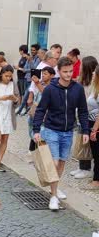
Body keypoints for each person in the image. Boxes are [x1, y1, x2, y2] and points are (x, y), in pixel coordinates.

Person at [33, 57, 89, 210]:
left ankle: (55, 187)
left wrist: (85, 130)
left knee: (62, 163)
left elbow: (83, 111)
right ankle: (53, 196)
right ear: (58, 71)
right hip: (51, 130)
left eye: (71, 71)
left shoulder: (77, 89)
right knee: (55, 162)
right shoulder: (51, 89)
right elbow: (41, 110)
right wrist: (36, 130)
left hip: (68, 132)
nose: (68, 74)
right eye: (65, 72)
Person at [69, 56, 98, 179]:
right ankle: (82, 166)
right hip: (82, 115)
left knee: (85, 143)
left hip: (90, 117)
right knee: (81, 141)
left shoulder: (92, 84)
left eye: (81, 67)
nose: (79, 68)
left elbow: (91, 102)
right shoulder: (83, 82)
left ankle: (86, 168)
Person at [26, 67, 55, 154]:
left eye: (45, 74)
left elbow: (46, 94)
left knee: (41, 131)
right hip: (35, 110)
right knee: (32, 129)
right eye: (42, 74)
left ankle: (40, 152)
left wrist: (37, 83)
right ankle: (33, 149)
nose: (43, 75)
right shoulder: (40, 83)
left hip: (44, 112)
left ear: (52, 75)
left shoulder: (53, 86)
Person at [85, 64, 99, 190]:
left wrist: (94, 130)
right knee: (95, 153)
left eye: (95, 72)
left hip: (96, 125)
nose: (93, 73)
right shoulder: (95, 88)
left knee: (97, 154)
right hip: (91, 122)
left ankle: (96, 181)